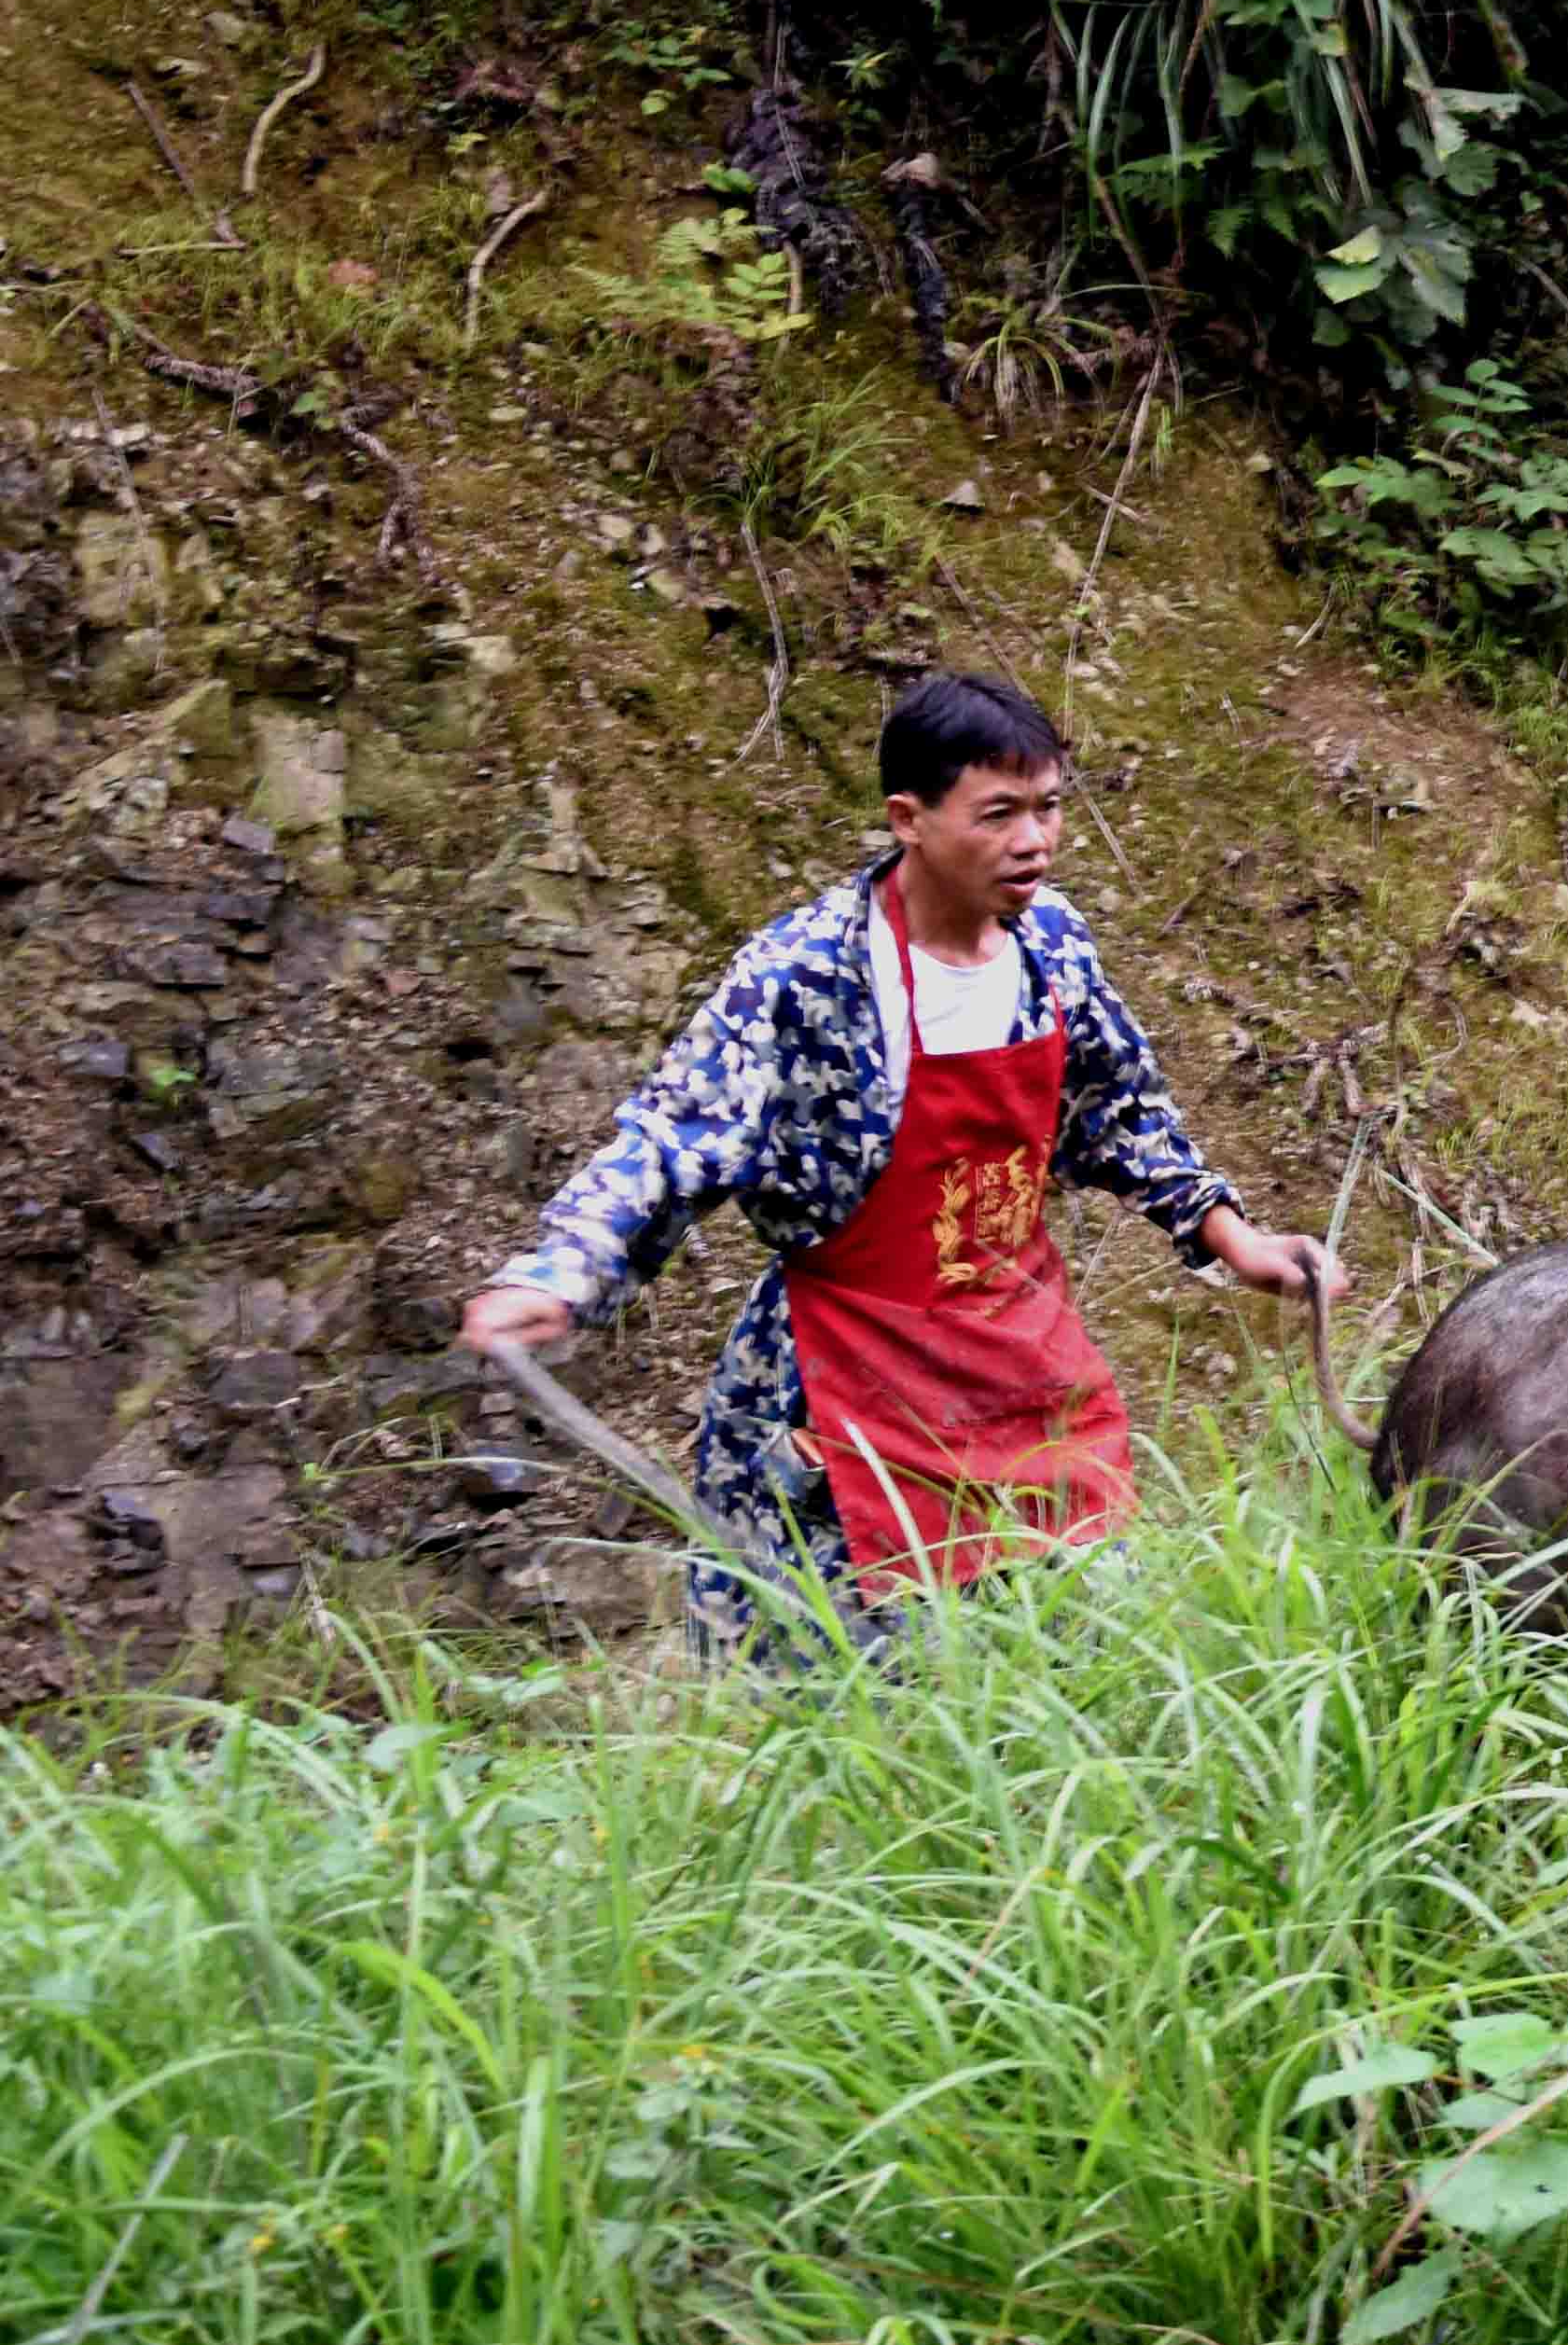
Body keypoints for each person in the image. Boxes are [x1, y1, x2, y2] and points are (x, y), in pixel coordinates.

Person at [456, 668, 1340, 1656]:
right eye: (998, 813)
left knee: (1087, 1650)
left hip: (1018, 1356)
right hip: (846, 1375)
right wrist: (560, 1274)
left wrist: (1234, 1238)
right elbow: (673, 1136)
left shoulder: (1052, 947)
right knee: (854, 1693)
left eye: (1049, 807)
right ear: (908, 818)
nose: (1034, 839)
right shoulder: (805, 976)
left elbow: (1120, 1112)